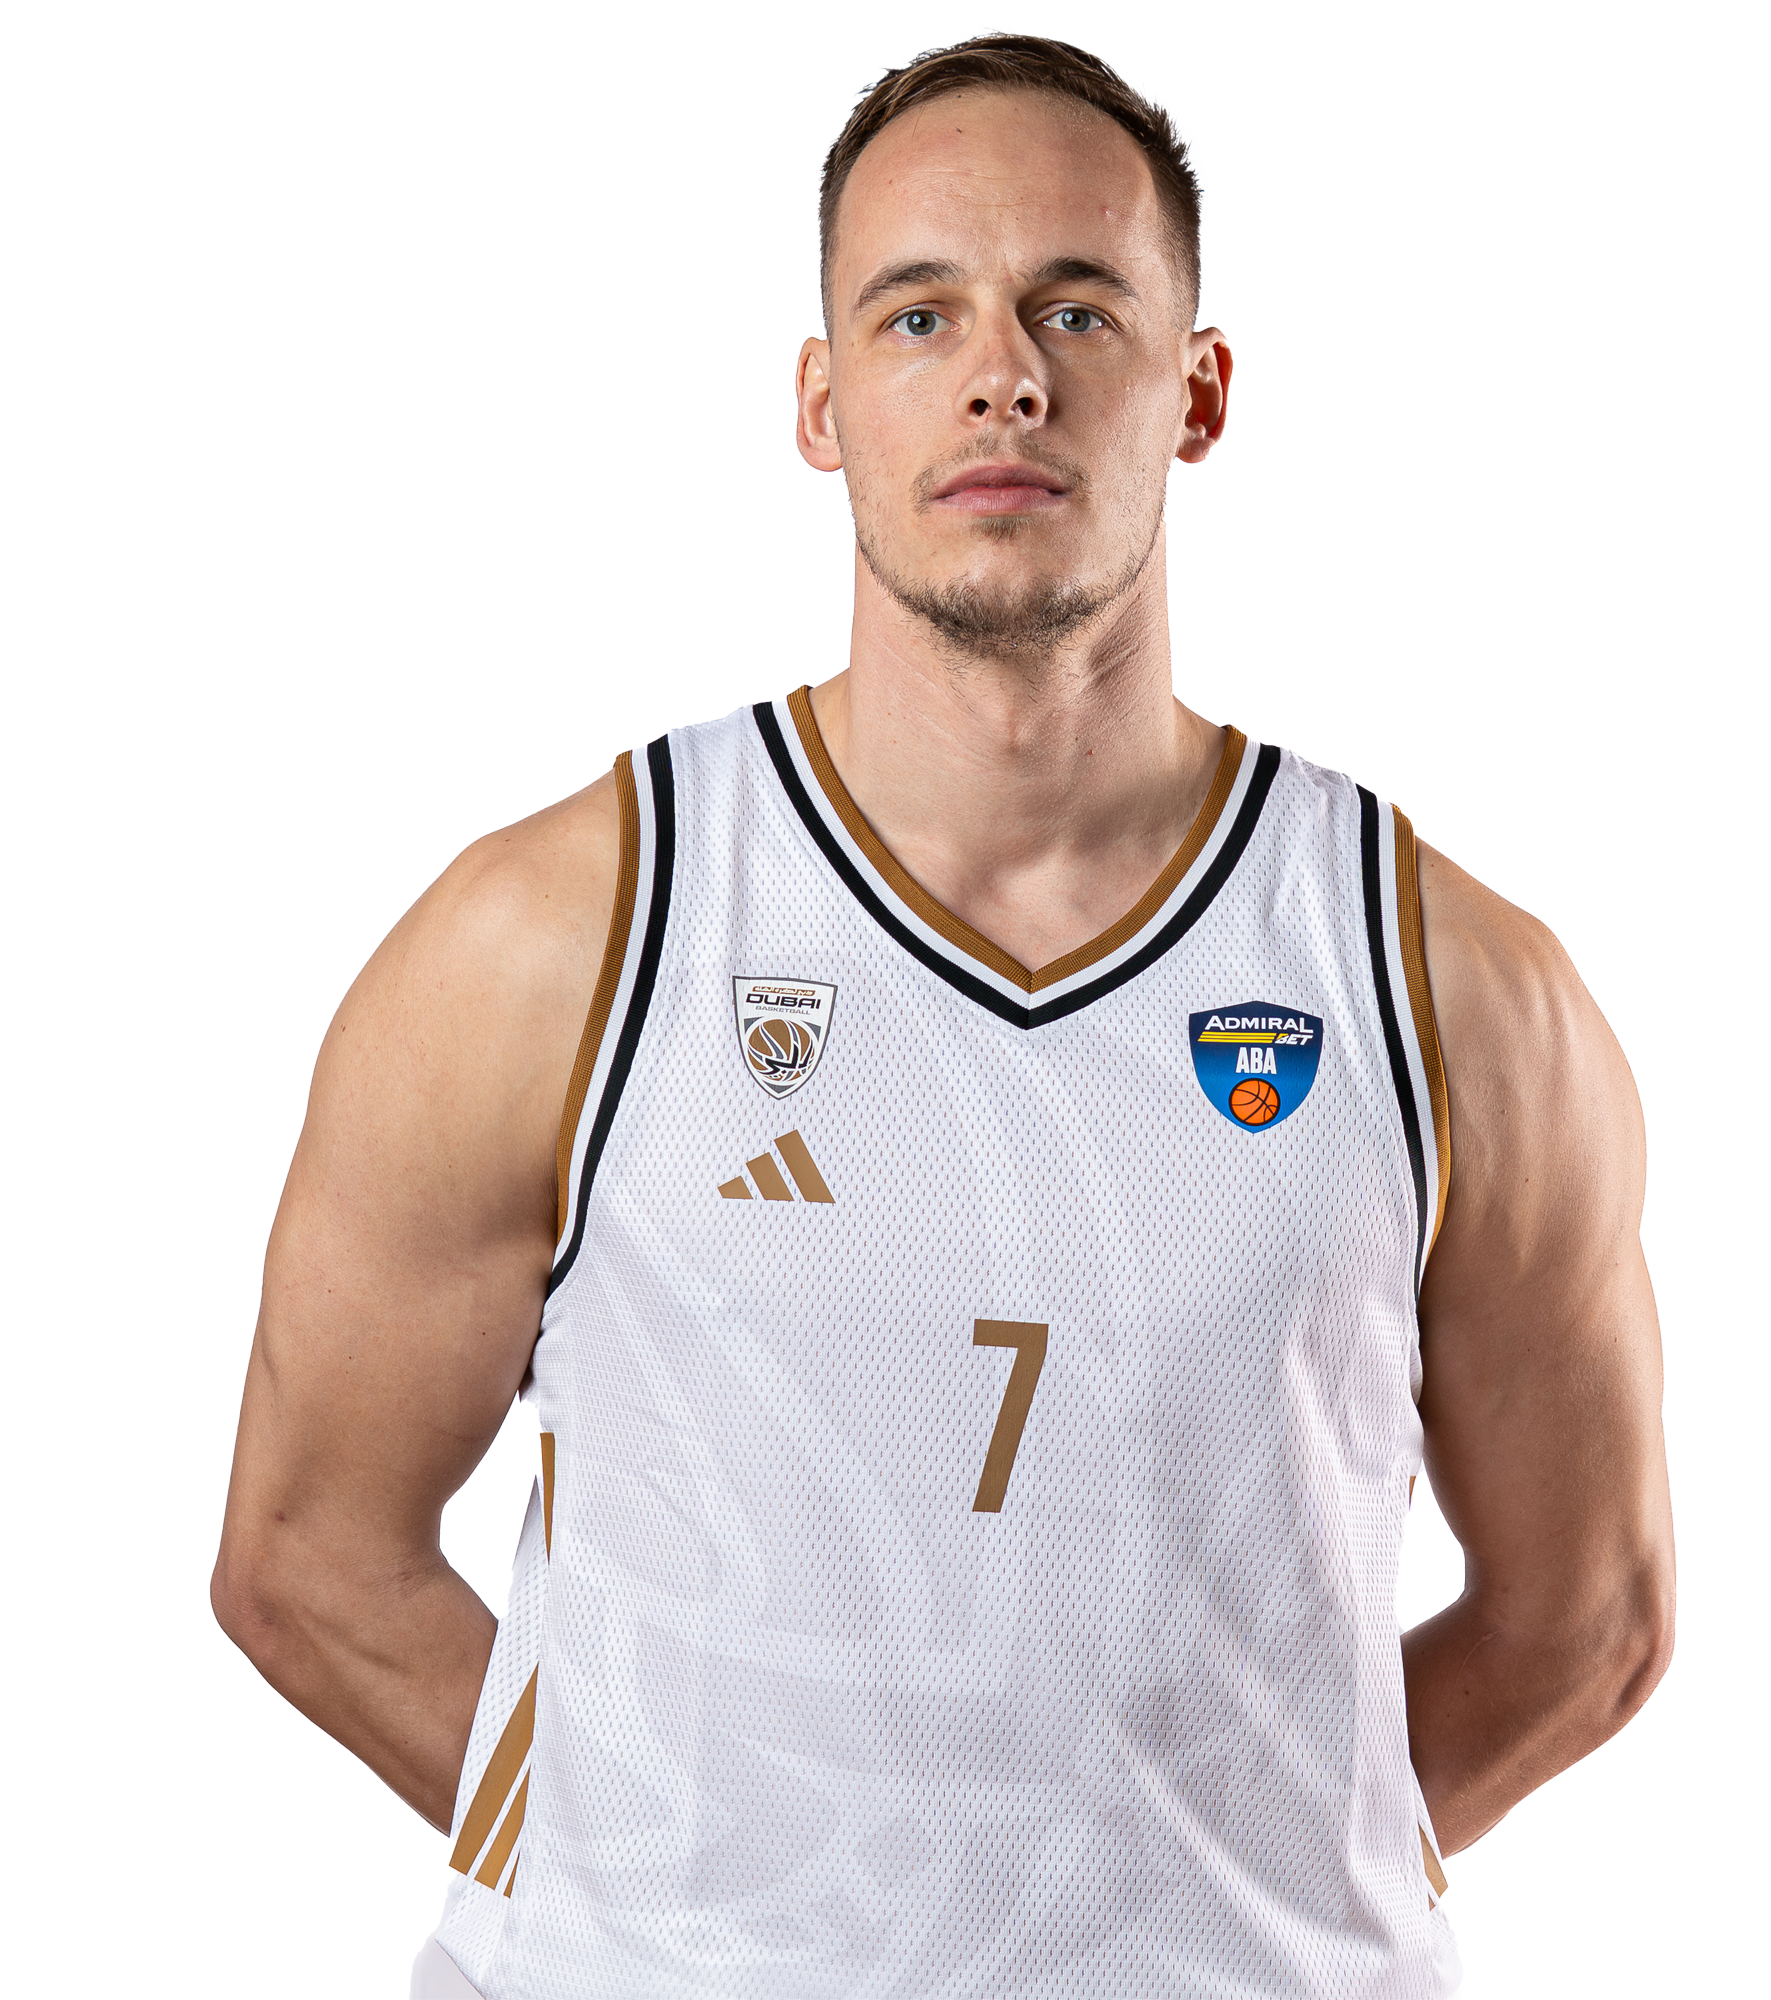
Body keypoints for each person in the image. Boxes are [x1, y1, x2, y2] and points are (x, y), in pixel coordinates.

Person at [215, 31, 1673, 1999]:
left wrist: (1215, 1897)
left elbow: (1589, 1623)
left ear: (1197, 389)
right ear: (822, 402)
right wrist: (694, 1901)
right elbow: (307, 1560)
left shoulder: (1445, 987)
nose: (1005, 374)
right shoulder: (557, 939)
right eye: (920, 315)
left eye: (1079, 307)